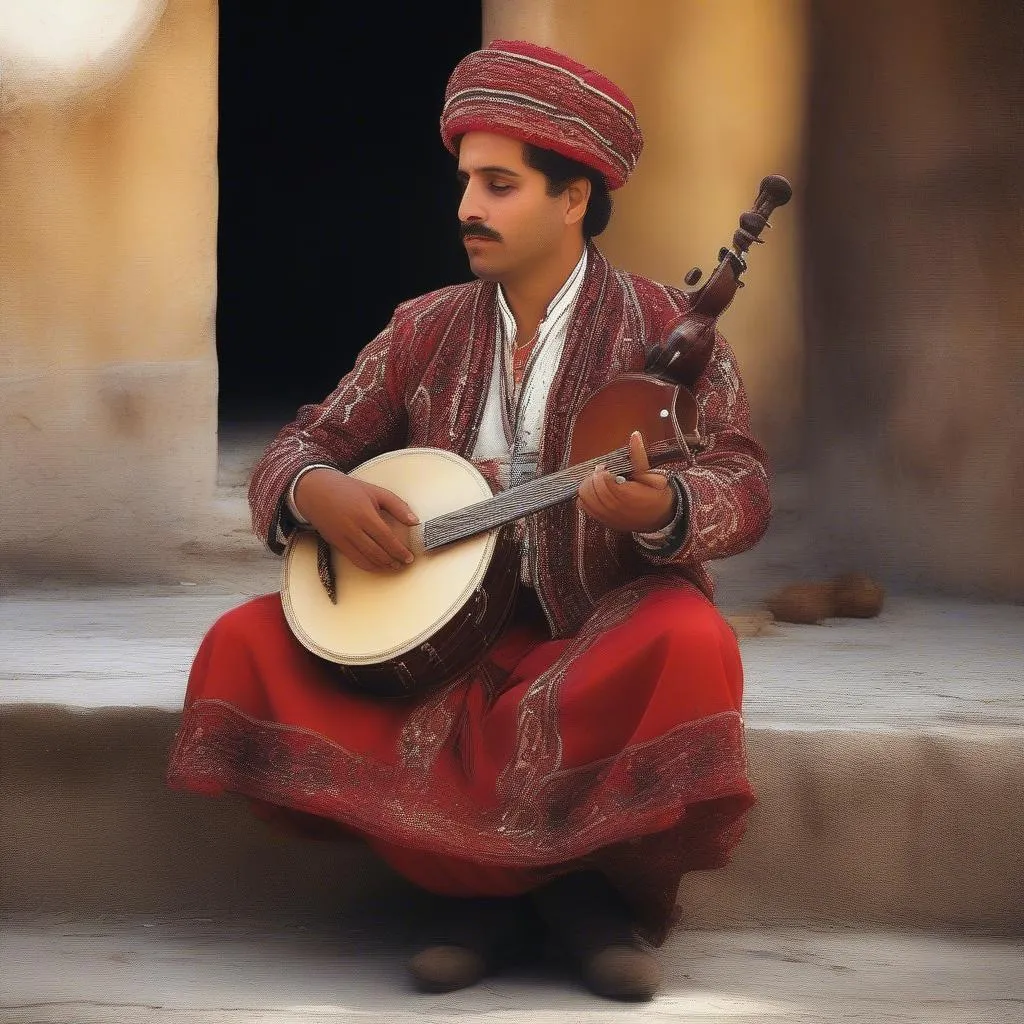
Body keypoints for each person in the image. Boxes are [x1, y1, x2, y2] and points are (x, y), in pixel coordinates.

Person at [167, 38, 770, 1002]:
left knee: (691, 642)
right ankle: (544, 903)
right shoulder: (424, 327)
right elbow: (303, 440)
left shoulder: (664, 332)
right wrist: (315, 491)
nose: (466, 209)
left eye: (499, 184)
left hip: (592, 633)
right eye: (464, 182)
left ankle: (524, 900)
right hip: (437, 640)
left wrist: (666, 508)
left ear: (573, 198)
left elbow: (742, 480)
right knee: (246, 641)